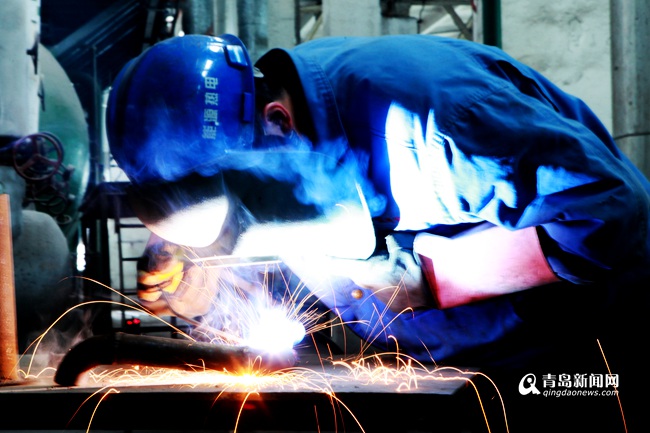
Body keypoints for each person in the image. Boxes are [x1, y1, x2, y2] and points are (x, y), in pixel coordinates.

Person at [106, 33, 648, 430]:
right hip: (453, 374)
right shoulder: (268, 147)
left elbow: (609, 212)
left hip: (578, 365)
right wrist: (203, 286)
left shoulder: (433, 125)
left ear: (278, 122)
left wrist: (433, 279)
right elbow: (286, 271)